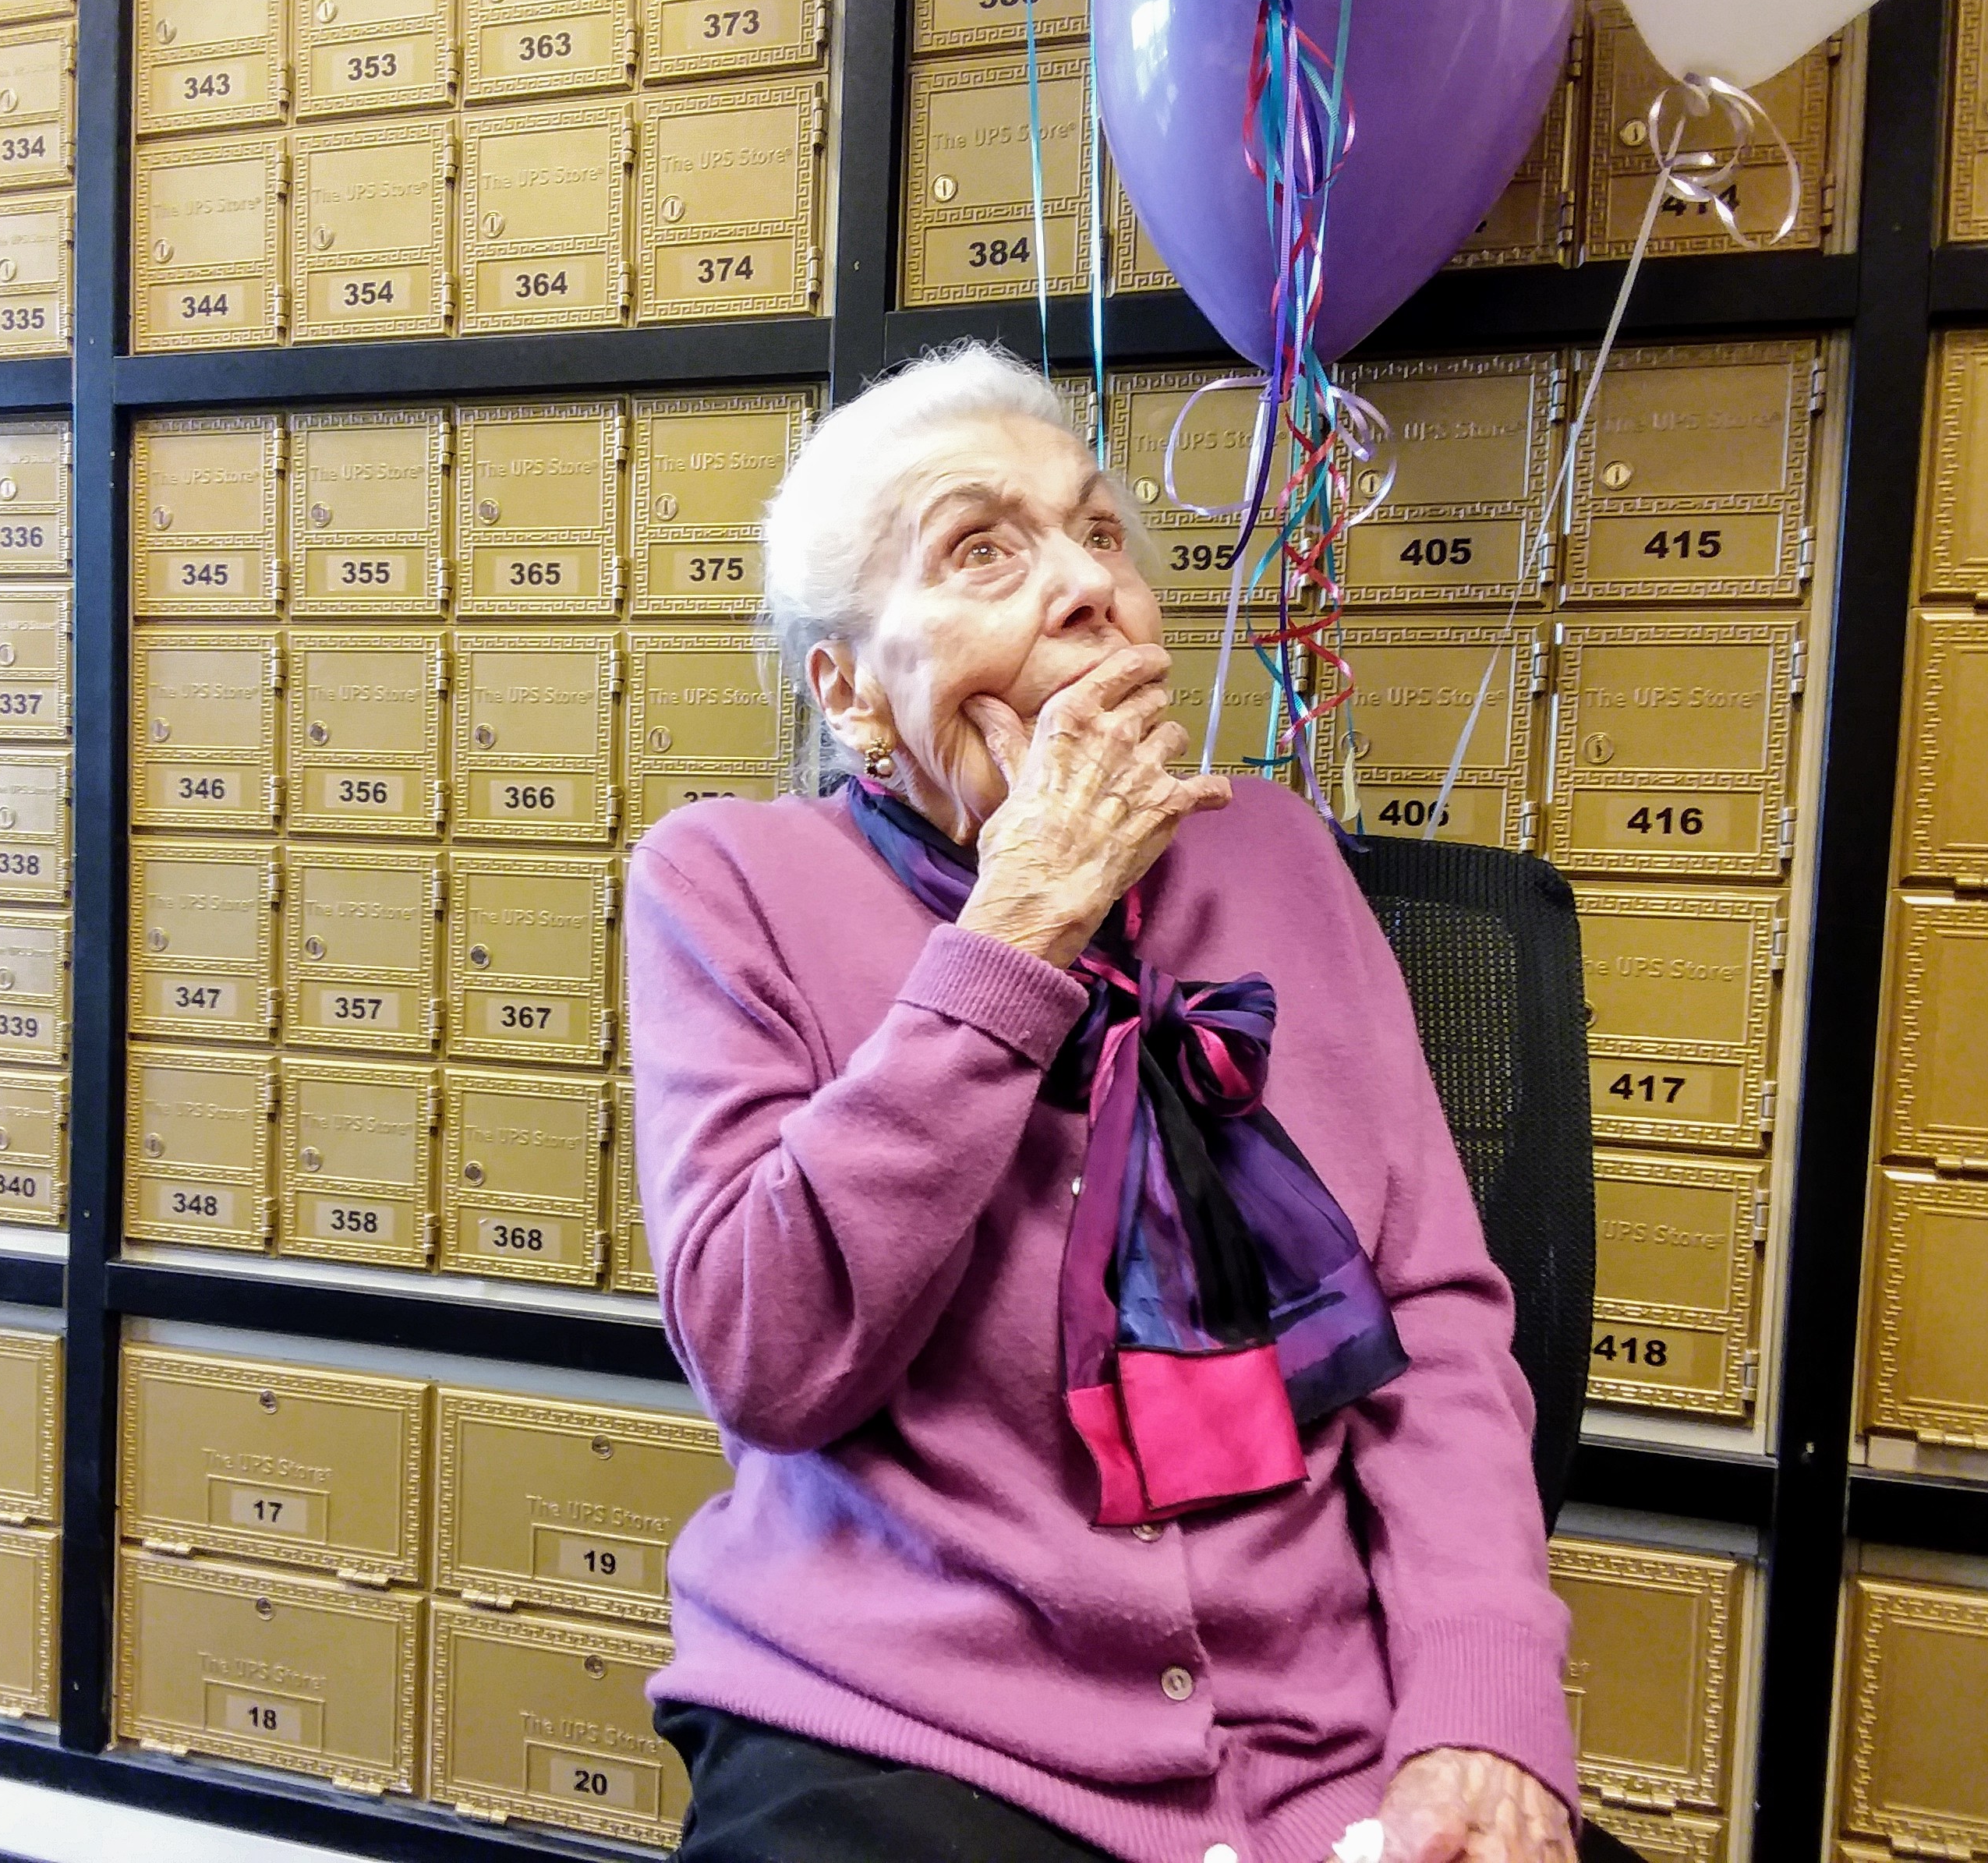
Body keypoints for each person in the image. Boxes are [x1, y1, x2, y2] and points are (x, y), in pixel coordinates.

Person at [623, 343, 1579, 1863]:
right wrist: (1020, 932)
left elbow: (1438, 1334)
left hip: (1323, 1730)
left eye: (1099, 533)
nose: (1085, 584)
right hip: (904, 1728)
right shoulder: (727, 881)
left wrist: (1481, 1710)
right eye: (982, 549)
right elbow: (767, 1356)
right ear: (851, 689)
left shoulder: (1276, 858)